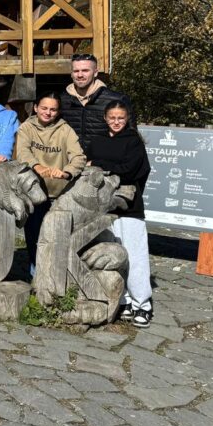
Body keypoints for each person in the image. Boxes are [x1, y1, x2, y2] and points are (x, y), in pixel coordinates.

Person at [85, 101, 153, 327]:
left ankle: (142, 303)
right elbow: (88, 168)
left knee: (135, 254)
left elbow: (131, 170)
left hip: (128, 206)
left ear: (127, 119)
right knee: (111, 254)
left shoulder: (134, 142)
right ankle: (121, 299)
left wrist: (102, 164)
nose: (116, 122)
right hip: (103, 207)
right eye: (112, 118)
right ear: (105, 118)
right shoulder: (97, 141)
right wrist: (108, 166)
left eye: (120, 118)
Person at [15, 92, 87, 271]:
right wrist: (37, 167)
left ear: (58, 111)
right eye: (44, 108)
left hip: (59, 193)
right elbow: (23, 152)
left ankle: (57, 276)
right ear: (36, 108)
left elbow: (78, 157)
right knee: (34, 236)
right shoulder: (26, 127)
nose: (48, 112)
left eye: (53, 109)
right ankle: (36, 275)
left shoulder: (65, 130)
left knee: (58, 238)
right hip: (34, 193)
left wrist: (67, 173)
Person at [61, 53, 135, 147]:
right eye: (76, 71)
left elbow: (131, 136)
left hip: (105, 159)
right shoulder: (62, 100)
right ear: (71, 74)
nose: (80, 75)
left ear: (95, 72)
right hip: (71, 160)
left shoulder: (117, 100)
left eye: (85, 70)